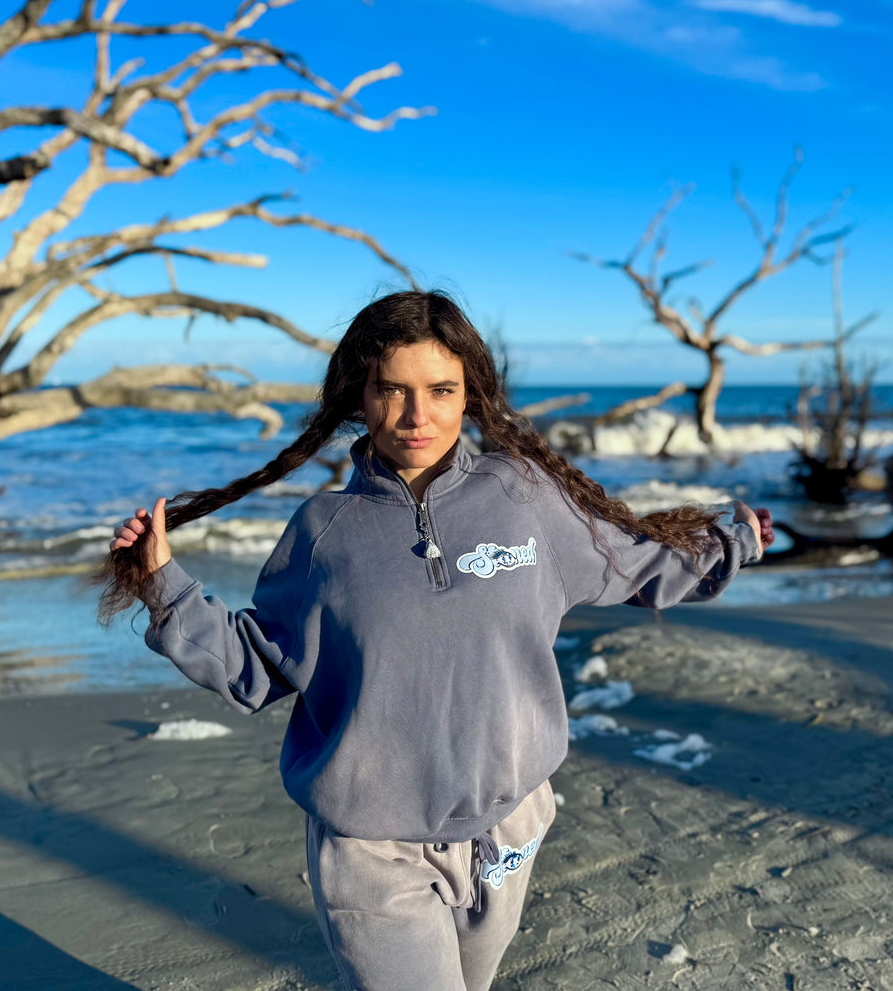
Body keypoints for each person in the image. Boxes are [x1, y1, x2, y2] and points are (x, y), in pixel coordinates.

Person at [100, 291, 774, 991]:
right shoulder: (322, 533)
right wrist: (165, 588)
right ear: (358, 395)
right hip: (373, 846)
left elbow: (630, 561)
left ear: (470, 394)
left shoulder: (524, 498)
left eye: (441, 390)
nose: (417, 416)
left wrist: (733, 540)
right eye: (391, 390)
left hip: (508, 828)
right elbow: (257, 665)